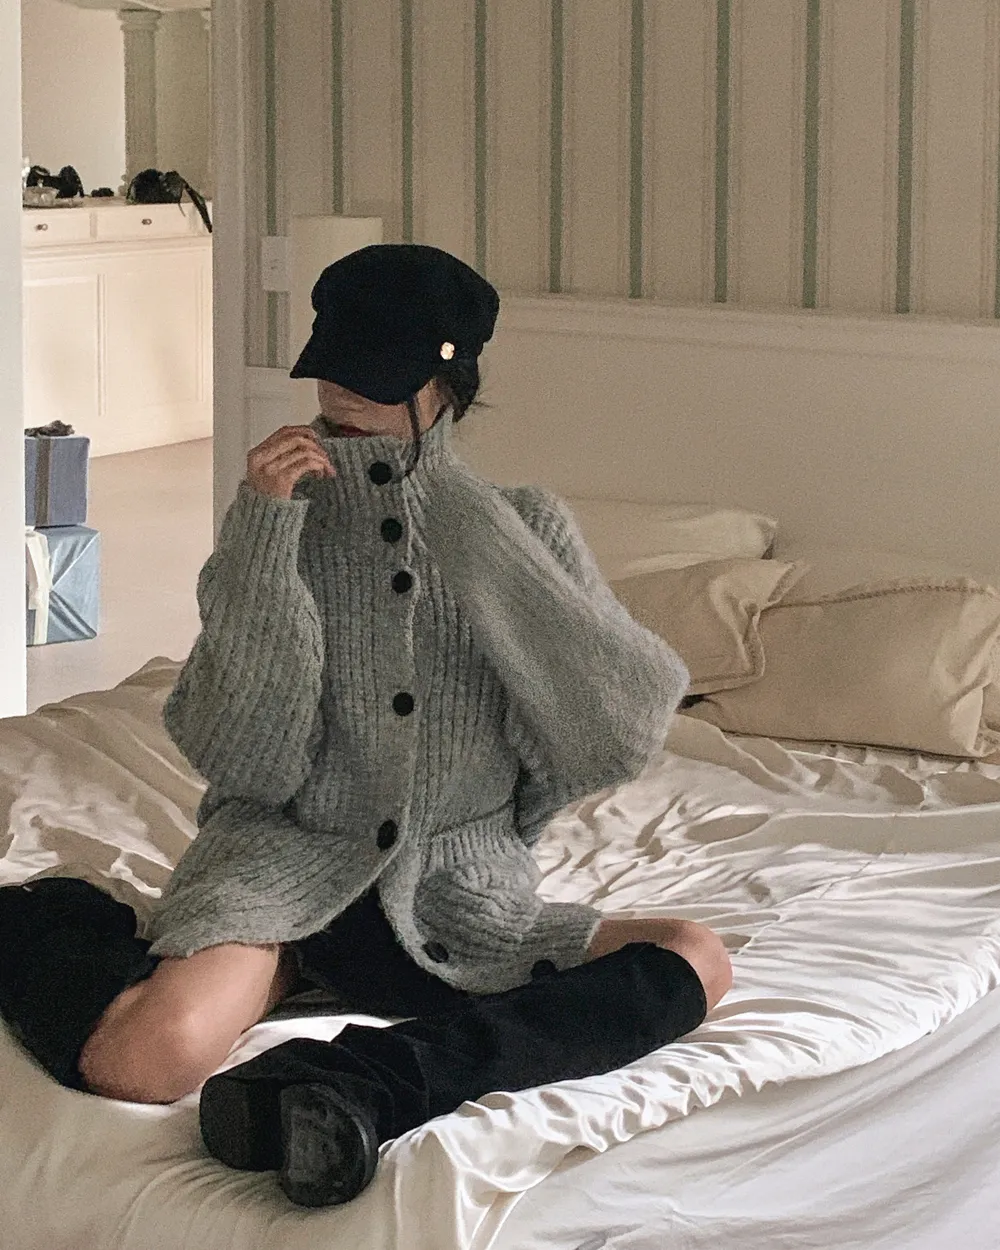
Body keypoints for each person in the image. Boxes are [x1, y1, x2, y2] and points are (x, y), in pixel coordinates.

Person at [0, 244, 731, 1207]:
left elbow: (617, 731)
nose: (341, 394)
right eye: (333, 366)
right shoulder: (277, 520)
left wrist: (462, 519)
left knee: (696, 955)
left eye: (378, 376)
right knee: (142, 1062)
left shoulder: (521, 524)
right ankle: (42, 914)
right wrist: (265, 536)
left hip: (457, 897)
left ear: (447, 385)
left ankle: (357, 1087)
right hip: (284, 869)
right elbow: (245, 761)